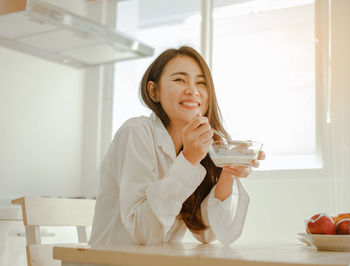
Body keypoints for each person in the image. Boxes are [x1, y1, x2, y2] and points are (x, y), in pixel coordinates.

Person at [89, 46, 265, 246]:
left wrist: (228, 173)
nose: (193, 90)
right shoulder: (136, 132)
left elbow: (206, 233)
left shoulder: (200, 148)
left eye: (201, 82)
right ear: (154, 91)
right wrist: (189, 160)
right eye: (179, 80)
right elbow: (143, 233)